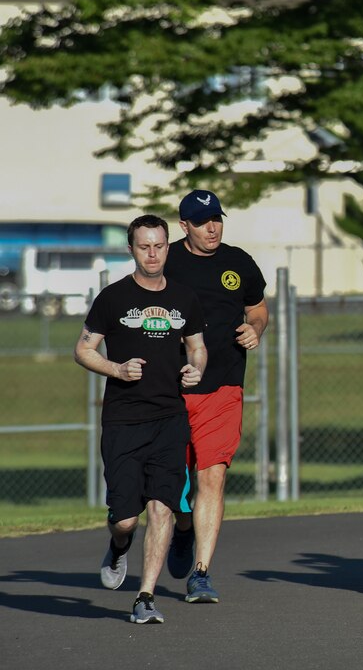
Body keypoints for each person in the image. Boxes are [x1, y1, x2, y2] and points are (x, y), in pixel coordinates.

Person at [75, 214, 207, 624]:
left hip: (169, 418)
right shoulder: (113, 298)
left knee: (163, 507)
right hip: (123, 421)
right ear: (131, 249)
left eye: (159, 245)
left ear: (169, 246)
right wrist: (116, 369)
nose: (152, 253)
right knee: (126, 518)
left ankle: (145, 596)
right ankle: (118, 545)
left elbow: (197, 346)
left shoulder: (185, 297)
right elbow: (83, 350)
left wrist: (196, 368)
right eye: (144, 246)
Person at [163, 189, 268, 604]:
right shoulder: (165, 260)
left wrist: (255, 329)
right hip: (171, 389)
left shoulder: (238, 262)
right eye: (203, 221)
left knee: (212, 476)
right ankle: (183, 527)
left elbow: (258, 308)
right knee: (172, 485)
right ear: (184, 224)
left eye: (217, 219)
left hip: (223, 387)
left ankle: (202, 573)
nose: (213, 228)